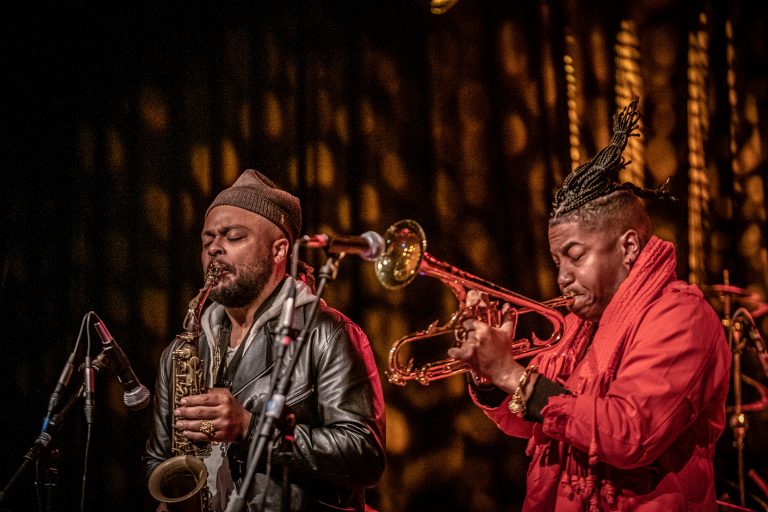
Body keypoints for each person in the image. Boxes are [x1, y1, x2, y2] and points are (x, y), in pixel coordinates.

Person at [448, 99, 731, 511]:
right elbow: (534, 423)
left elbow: (629, 434)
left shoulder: (682, 317)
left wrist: (511, 373)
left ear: (629, 247)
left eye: (576, 256)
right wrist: (488, 376)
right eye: (557, 262)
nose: (562, 277)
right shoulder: (579, 327)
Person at [143, 169, 386, 511]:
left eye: (234, 237)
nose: (215, 249)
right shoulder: (181, 350)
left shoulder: (328, 333)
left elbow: (364, 456)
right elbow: (159, 459)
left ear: (279, 250)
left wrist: (250, 427)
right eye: (208, 240)